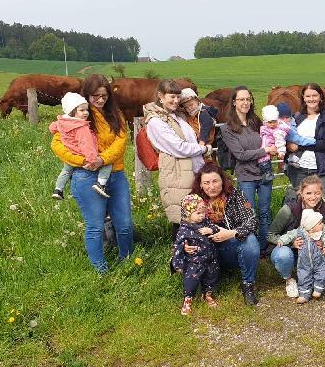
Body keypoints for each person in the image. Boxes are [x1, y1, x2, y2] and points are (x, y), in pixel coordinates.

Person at [51, 74, 133, 273]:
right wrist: (84, 161)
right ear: (86, 95)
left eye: (104, 96)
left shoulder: (116, 114)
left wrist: (102, 160)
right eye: (95, 96)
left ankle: (128, 261)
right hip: (86, 176)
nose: (100, 100)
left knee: (125, 224)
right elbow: (57, 145)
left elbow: (121, 142)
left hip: (115, 173)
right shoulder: (78, 115)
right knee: (95, 225)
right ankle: (100, 268)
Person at [189, 162, 261, 305]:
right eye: (207, 183)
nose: (212, 186)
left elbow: (252, 220)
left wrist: (231, 233)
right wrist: (185, 244)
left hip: (228, 247)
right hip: (205, 250)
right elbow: (184, 227)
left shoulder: (234, 195)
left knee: (251, 241)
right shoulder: (193, 200)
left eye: (215, 181)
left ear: (222, 180)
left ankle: (248, 284)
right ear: (201, 184)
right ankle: (198, 287)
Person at [144, 80, 212, 231]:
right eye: (171, 97)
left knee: (199, 216)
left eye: (177, 97)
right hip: (177, 174)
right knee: (182, 220)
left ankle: (202, 252)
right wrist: (204, 149)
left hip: (193, 171)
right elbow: (178, 147)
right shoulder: (156, 121)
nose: (176, 101)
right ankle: (180, 253)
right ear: (160, 96)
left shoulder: (177, 116)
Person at [220, 86, 278, 253]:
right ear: (234, 102)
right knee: (248, 214)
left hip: (264, 173)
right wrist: (266, 150)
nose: (245, 102)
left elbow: (269, 136)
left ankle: (263, 247)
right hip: (246, 177)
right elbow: (240, 154)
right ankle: (250, 248)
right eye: (241, 99)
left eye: (248, 99)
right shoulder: (227, 128)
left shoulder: (256, 121)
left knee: (265, 212)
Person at [267, 175, 325, 298]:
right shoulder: (288, 210)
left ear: (321, 193)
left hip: (314, 251)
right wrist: (291, 243)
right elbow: (270, 235)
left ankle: (316, 279)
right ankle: (289, 279)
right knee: (283, 255)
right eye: (308, 193)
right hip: (290, 249)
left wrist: (323, 244)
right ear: (301, 193)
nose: (313, 197)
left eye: (317, 193)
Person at [50, 92, 111, 199]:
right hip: (82, 155)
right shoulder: (81, 128)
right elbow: (86, 144)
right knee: (107, 165)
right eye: (82, 110)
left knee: (66, 171)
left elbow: (53, 127)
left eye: (86, 110)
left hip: (70, 154)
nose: (86, 113)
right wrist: (92, 159)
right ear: (72, 111)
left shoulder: (63, 122)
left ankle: (58, 189)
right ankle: (100, 184)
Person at [172, 194, 221, 315]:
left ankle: (207, 295)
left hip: (210, 258)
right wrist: (177, 264)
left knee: (211, 277)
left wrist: (211, 230)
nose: (202, 216)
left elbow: (216, 228)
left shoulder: (206, 222)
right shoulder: (184, 229)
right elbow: (178, 246)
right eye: (198, 213)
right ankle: (188, 300)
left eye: (203, 212)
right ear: (188, 214)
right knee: (191, 280)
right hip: (195, 261)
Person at [287, 83, 325, 196]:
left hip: (321, 170)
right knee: (298, 204)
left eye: (314, 95)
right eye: (308, 96)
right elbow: (288, 136)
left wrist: (299, 145)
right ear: (303, 98)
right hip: (298, 169)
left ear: (320, 97)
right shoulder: (296, 117)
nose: (311, 99)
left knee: (320, 204)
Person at [276, 209, 325, 304]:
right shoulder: (300, 232)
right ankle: (304, 295)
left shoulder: (321, 232)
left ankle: (318, 290)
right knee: (303, 277)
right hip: (304, 262)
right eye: (319, 223)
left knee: (323, 273)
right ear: (311, 227)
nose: (322, 225)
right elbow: (289, 235)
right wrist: (282, 240)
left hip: (319, 261)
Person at [276, 102, 315, 170]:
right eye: (281, 118)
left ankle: (291, 160)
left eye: (287, 117)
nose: (284, 120)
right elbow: (297, 139)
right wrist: (313, 141)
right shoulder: (285, 128)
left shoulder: (291, 121)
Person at [259, 104, 288, 181]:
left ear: (277, 120)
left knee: (265, 159)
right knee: (264, 159)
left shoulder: (278, 131)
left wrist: (281, 152)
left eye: (274, 122)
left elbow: (280, 141)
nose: (272, 124)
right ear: (265, 122)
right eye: (270, 122)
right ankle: (266, 172)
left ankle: (268, 173)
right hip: (266, 147)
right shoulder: (265, 127)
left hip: (274, 147)